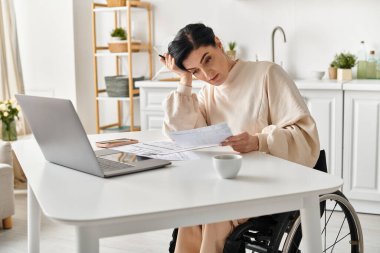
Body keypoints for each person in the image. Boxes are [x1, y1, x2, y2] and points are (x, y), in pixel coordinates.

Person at [160, 23, 320, 253]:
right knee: (191, 212)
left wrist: (258, 141)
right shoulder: (209, 92)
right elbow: (181, 133)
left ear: (218, 43)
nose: (207, 75)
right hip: (226, 185)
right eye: (196, 71)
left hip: (268, 184)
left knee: (216, 214)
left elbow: (305, 136)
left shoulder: (267, 74)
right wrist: (185, 80)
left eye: (208, 59)